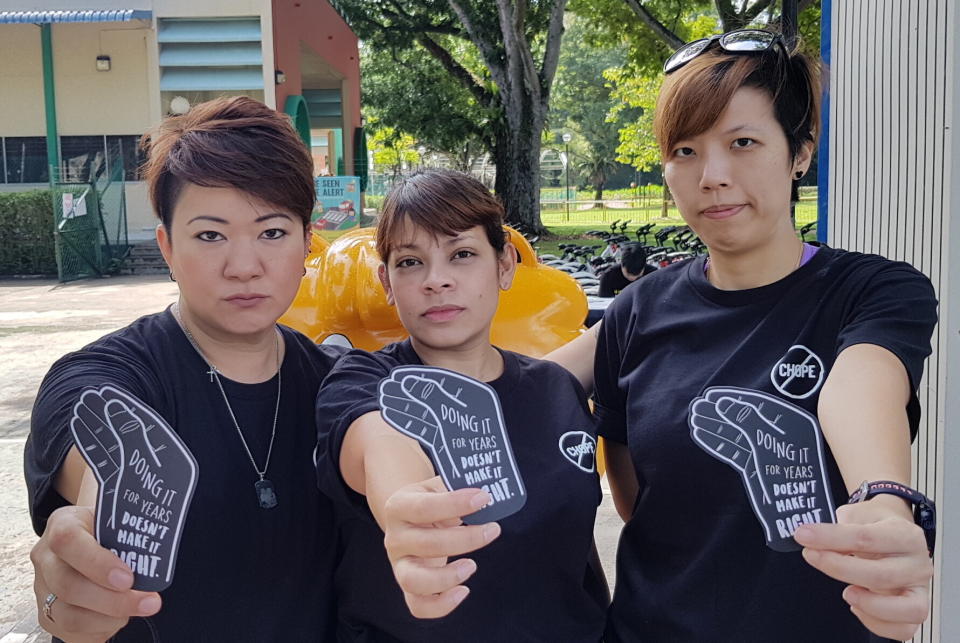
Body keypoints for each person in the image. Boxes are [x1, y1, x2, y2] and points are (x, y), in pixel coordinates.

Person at [588, 30, 938, 642]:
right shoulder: (638, 308)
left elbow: (858, 390)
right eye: (685, 150)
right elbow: (527, 384)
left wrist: (882, 503)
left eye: (743, 142)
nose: (712, 176)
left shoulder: (872, 291)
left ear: (800, 152)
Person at [24, 97, 343, 641]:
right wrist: (82, 567)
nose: (244, 267)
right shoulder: (110, 375)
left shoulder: (337, 385)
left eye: (272, 232)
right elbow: (104, 453)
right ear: (167, 247)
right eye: (210, 235)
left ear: (307, 244)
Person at [314, 169, 608, 641]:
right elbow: (379, 442)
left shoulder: (558, 390)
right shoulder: (363, 381)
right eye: (410, 262)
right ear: (386, 282)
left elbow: (576, 547)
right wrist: (406, 510)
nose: (437, 281)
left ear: (505, 265)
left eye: (462, 254)